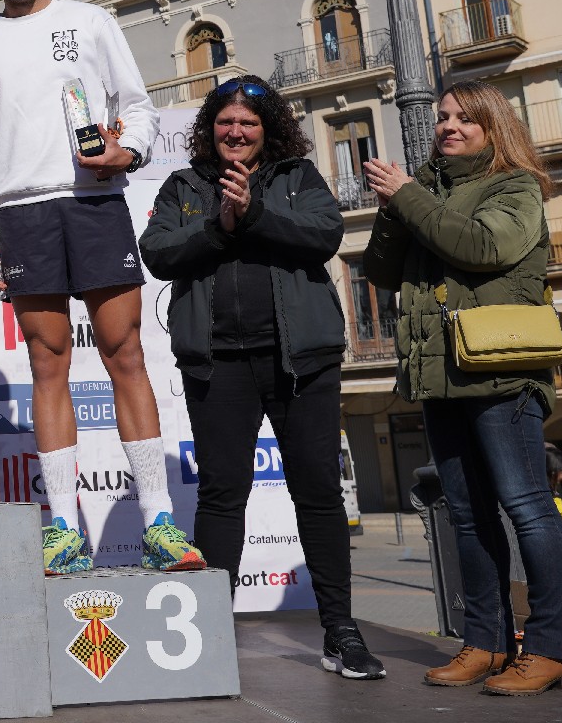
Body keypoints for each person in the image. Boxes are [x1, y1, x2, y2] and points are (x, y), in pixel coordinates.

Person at [0, 0, 203, 578]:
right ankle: (63, 529)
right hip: (24, 213)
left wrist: (130, 150)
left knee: (126, 353)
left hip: (94, 203)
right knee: (48, 364)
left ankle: (159, 523)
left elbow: (138, 106)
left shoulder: (91, 22)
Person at [140, 72, 381, 680]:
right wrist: (218, 225)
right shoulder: (184, 185)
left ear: (267, 130)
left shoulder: (298, 178)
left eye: (248, 122)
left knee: (318, 493)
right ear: (210, 128)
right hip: (217, 363)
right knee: (222, 496)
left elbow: (324, 235)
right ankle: (211, 636)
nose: (236, 131)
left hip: (302, 362)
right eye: (225, 121)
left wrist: (253, 214)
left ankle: (341, 632)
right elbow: (158, 252)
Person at [362, 80, 562, 696]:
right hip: (441, 375)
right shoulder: (425, 191)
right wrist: (396, 205)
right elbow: (380, 270)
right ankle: (486, 641)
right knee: (466, 515)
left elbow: (482, 247)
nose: (448, 126)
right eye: (443, 117)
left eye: (464, 118)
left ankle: (551, 647)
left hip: (502, 372)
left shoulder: (516, 187)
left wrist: (409, 197)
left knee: (527, 507)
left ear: (493, 127)